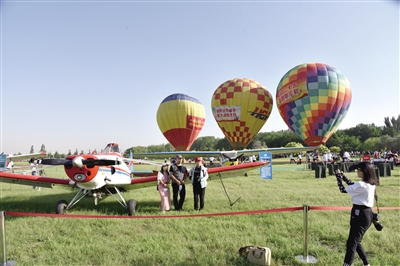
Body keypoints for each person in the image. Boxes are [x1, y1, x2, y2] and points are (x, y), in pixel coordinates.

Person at [334, 162, 378, 266]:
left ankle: (347, 264)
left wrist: (338, 178)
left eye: (359, 170)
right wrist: (343, 176)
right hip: (365, 214)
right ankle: (366, 264)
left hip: (360, 215)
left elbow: (343, 189)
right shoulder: (369, 183)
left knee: (351, 244)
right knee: (356, 242)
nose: (357, 171)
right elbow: (353, 185)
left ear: (364, 172)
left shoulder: (362, 185)